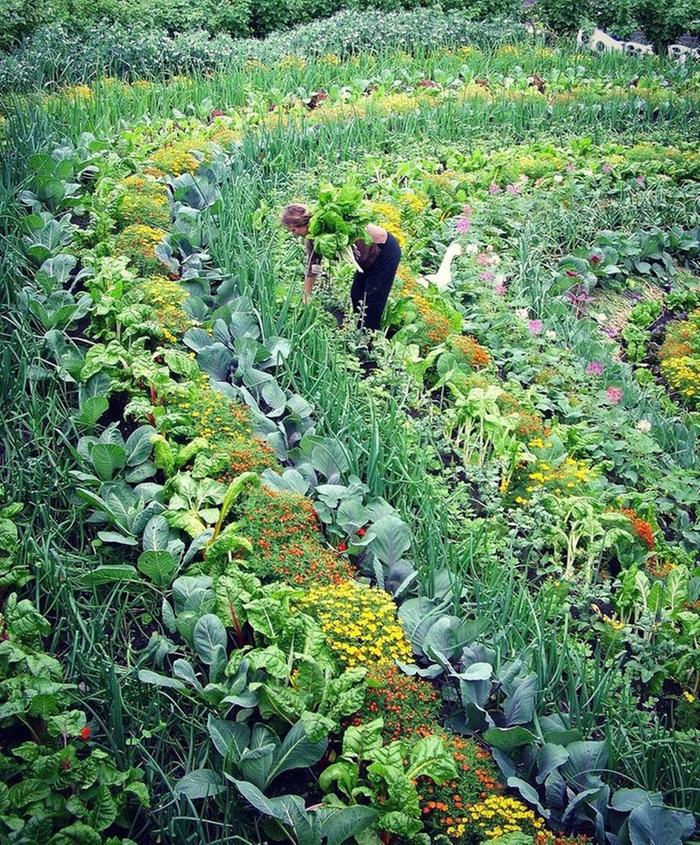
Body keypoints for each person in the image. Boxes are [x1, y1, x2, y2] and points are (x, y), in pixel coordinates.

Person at [280, 203, 402, 332]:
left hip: (384, 251)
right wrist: (306, 296)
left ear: (301, 222)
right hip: (367, 260)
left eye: (294, 230)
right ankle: (359, 332)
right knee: (356, 295)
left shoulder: (329, 222)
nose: (294, 234)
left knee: (371, 302)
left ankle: (370, 343)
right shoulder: (312, 239)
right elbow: (313, 266)